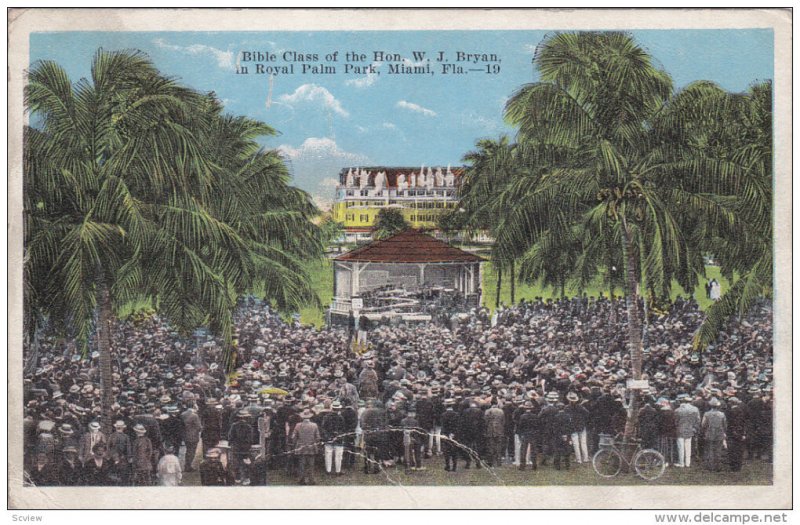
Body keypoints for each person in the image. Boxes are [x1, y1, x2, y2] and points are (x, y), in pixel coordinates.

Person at [292, 409, 321, 485]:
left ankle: (302, 479)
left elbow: (294, 437)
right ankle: (311, 480)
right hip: (311, 447)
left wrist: (294, 444)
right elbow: (318, 437)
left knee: (302, 464)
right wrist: (316, 443)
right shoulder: (314, 425)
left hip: (301, 447)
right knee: (311, 464)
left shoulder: (298, 425)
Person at [675, 394, 701, 468]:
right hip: (690, 429)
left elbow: (676, 421)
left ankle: (681, 462)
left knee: (681, 447)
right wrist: (695, 428)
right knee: (688, 446)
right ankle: (688, 463)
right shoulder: (695, 409)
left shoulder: (678, 410)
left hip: (680, 429)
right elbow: (698, 420)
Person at [228, 410, 254, 484]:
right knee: (246, 463)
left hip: (236, 447)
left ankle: (237, 478)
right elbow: (250, 439)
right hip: (245, 448)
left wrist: (231, 444)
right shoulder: (249, 427)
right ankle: (246, 478)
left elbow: (230, 436)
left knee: (236, 463)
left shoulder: (234, 425)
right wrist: (248, 445)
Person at [702, 398, 727, 472]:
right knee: (718, 450)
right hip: (719, 433)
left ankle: (710, 466)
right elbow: (725, 425)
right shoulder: (722, 414)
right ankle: (718, 466)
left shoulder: (706, 414)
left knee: (710, 450)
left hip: (709, 433)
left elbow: (703, 424)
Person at [322, 401, 346, 475]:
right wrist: (338, 435)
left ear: (332, 408)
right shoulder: (341, 418)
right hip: (338, 438)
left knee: (328, 454)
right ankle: (337, 471)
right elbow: (343, 429)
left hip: (328, 438)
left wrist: (327, 436)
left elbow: (323, 428)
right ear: (338, 409)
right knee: (338, 456)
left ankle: (328, 470)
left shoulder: (326, 417)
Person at [566, 391, 590, 464]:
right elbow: (587, 413)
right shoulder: (580, 407)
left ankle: (578, 459)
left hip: (573, 426)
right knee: (583, 443)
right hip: (581, 425)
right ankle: (585, 458)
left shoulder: (567, 408)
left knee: (576, 444)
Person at [107, 420, 132, 485]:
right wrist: (129, 458)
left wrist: (111, 456)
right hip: (123, 459)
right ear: (123, 428)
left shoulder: (112, 436)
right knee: (123, 476)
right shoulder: (126, 437)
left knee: (113, 475)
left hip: (113, 458)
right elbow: (128, 449)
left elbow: (108, 447)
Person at [726, 397, 747, 472]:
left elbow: (730, 423)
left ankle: (733, 467)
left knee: (732, 450)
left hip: (732, 433)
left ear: (731, 403)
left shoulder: (730, 411)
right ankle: (738, 466)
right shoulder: (741, 410)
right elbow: (743, 422)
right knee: (739, 450)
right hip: (740, 432)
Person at [516, 402, 538, 471]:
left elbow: (520, 426)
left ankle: (522, 465)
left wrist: (520, 433)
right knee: (533, 450)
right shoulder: (535, 416)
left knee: (523, 450)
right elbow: (536, 426)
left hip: (525, 434)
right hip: (533, 434)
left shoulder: (522, 416)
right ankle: (534, 465)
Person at [483, 400, 505, 468]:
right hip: (499, 430)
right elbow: (503, 421)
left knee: (490, 446)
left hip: (490, 430)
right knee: (499, 446)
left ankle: (490, 462)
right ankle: (499, 462)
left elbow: (485, 421)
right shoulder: (501, 411)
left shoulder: (487, 411)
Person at [180, 404, 202, 472]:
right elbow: (199, 427)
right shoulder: (194, 416)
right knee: (192, 451)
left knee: (188, 451)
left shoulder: (182, 414)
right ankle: (188, 466)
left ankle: (187, 465)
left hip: (185, 435)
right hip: (193, 436)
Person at [441, 398, 461, 472]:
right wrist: (453, 433)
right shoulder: (456, 414)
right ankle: (454, 466)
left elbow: (443, 426)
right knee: (454, 450)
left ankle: (447, 465)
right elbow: (458, 425)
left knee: (446, 451)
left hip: (446, 434)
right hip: (454, 434)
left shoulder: (443, 415)